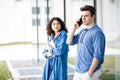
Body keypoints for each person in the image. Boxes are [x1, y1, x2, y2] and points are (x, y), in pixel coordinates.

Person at [67, 5, 106, 80]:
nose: (83, 18)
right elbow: (69, 42)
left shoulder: (97, 33)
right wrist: (74, 28)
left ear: (93, 16)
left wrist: (89, 73)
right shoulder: (83, 31)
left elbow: (98, 55)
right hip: (78, 70)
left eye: (86, 16)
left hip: (89, 72)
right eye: (82, 16)